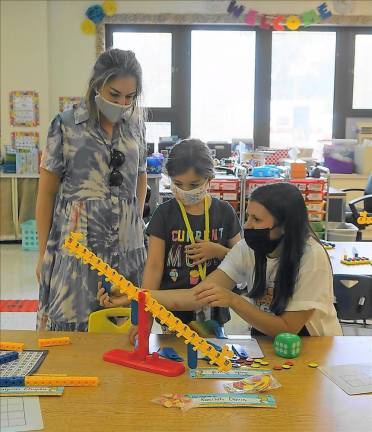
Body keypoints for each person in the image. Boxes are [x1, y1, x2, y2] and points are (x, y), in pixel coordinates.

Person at [36, 49, 147, 331]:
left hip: (126, 247)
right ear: (96, 84)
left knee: (123, 329)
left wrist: (134, 222)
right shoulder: (66, 125)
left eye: (130, 97)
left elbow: (141, 176)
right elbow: (47, 192)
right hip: (77, 243)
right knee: (73, 327)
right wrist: (41, 254)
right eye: (114, 94)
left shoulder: (135, 127)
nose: (122, 103)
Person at [99, 139, 241, 331]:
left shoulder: (224, 212)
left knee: (209, 358)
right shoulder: (164, 214)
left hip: (214, 313)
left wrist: (218, 251)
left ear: (209, 179)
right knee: (172, 358)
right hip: (170, 314)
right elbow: (154, 267)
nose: (185, 191)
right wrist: (145, 317)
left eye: (194, 185)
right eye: (178, 183)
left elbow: (242, 260)